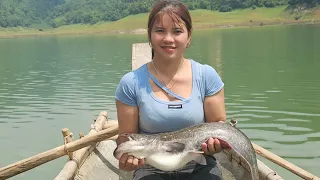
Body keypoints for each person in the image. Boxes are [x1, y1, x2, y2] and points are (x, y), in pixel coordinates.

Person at [115, 0, 226, 179]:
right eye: (160, 30)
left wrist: (217, 143)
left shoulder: (206, 76)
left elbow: (219, 126)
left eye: (177, 31)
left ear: (189, 36)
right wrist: (125, 156)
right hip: (150, 167)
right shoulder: (130, 83)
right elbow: (125, 137)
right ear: (150, 36)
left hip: (200, 163)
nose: (168, 38)